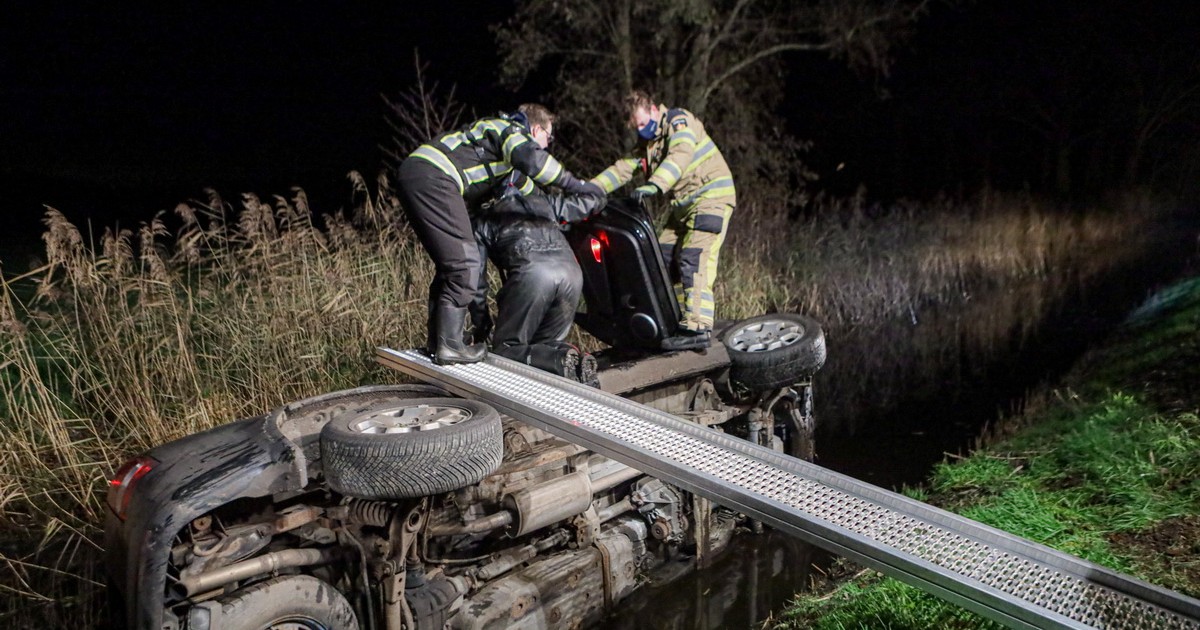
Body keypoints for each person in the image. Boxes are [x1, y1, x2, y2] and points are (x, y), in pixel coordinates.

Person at [396, 104, 602, 365]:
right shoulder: (508, 130)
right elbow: (534, 161)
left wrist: (481, 319)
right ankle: (449, 345)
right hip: (433, 176)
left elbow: (525, 185)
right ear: (535, 129)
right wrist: (580, 187)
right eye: (547, 139)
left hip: (421, 175)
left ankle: (440, 343)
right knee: (463, 264)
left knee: (453, 266)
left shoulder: (502, 166)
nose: (546, 146)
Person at [591, 90, 736, 351]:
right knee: (661, 262)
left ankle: (698, 326)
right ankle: (677, 322)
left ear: (655, 110)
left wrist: (654, 185)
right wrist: (586, 191)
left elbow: (680, 155)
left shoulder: (679, 122)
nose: (642, 130)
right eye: (637, 128)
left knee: (694, 257)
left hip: (711, 197)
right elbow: (621, 169)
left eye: (644, 123)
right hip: (683, 207)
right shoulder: (649, 144)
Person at [469, 176, 606, 385]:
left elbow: (476, 282)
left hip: (534, 275)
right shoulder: (546, 202)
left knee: (506, 350)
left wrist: (481, 322)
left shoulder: (483, 219)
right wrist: (576, 184)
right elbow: (593, 200)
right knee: (546, 346)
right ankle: (576, 360)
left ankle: (561, 361)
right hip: (572, 273)